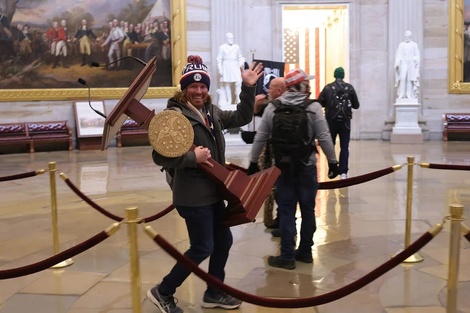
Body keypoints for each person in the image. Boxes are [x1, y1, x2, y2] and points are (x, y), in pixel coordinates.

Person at [147, 55, 263, 313]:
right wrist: (191, 157)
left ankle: (214, 292)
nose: (198, 91)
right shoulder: (174, 115)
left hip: (213, 191)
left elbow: (243, 116)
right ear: (184, 89)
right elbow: (159, 155)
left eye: (202, 86)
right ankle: (163, 291)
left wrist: (248, 87)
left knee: (223, 241)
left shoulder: (212, 111)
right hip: (191, 195)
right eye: (193, 86)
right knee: (202, 246)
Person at [248, 68, 338, 270]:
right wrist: (333, 162)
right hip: (306, 166)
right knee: (308, 210)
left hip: (283, 168)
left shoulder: (274, 107)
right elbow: (324, 137)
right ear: (302, 85)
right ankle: (305, 252)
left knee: (287, 210)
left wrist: (253, 162)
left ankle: (287, 255)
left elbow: (261, 137)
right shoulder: (313, 107)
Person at [253, 77, 287, 230]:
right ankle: (277, 220)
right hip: (278, 155)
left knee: (277, 189)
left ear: (279, 90)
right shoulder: (272, 104)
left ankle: (279, 222)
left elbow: (262, 134)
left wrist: (253, 160)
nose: (268, 90)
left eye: (271, 87)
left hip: (277, 156)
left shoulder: (274, 106)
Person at [317, 67, 360, 180]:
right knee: (344, 147)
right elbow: (356, 105)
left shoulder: (327, 88)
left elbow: (319, 102)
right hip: (345, 122)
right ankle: (343, 172)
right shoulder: (349, 88)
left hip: (331, 121)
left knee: (330, 146)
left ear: (334, 75)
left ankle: (332, 168)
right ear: (343, 75)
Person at [216, 32, 245, 105]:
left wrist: (241, 63)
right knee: (227, 83)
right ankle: (229, 100)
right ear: (227, 39)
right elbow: (219, 59)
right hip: (226, 66)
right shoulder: (222, 47)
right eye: (230, 38)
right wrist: (220, 69)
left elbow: (240, 57)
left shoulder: (236, 47)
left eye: (232, 38)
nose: (231, 39)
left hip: (235, 65)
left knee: (238, 82)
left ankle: (238, 99)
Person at [394, 30, 420, 99]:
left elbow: (417, 55)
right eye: (406, 35)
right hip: (403, 62)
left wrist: (416, 60)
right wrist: (397, 62)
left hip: (411, 62)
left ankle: (409, 94)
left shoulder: (414, 45)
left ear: (410, 36)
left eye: (408, 35)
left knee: (409, 79)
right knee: (402, 78)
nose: (407, 37)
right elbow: (398, 54)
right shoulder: (401, 44)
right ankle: (401, 94)